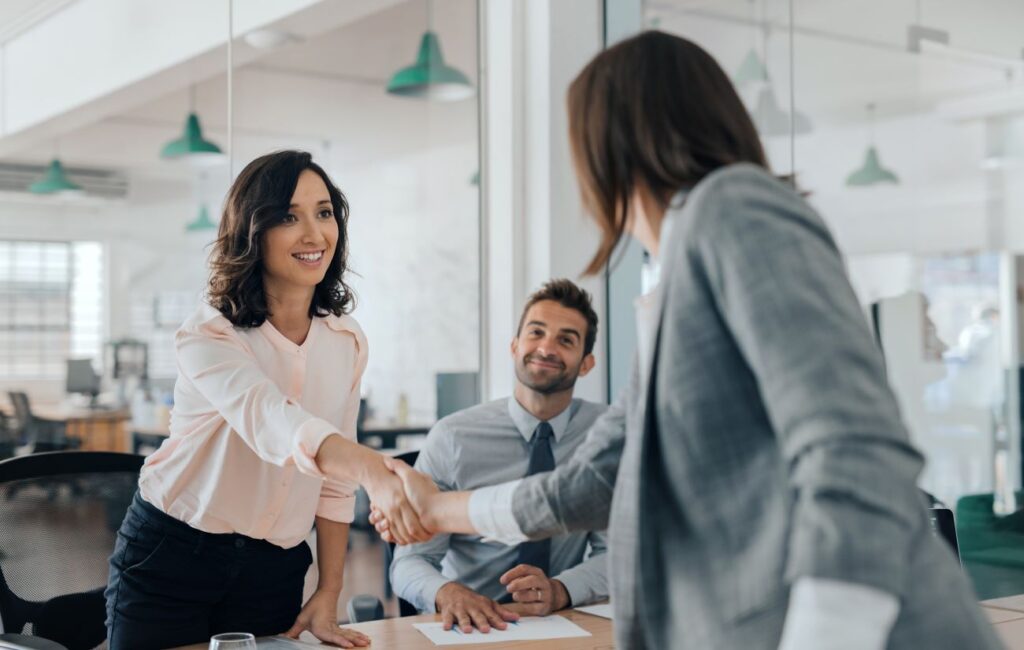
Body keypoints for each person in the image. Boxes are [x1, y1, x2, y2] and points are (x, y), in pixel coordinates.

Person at [372, 32, 1003, 650]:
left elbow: (854, 449)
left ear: (609, 142)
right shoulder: (674, 281)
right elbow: (597, 483)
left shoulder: (734, 207)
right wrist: (441, 510)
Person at [105, 150, 428, 650]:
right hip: (173, 555)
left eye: (324, 213)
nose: (314, 234)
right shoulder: (210, 333)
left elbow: (332, 485)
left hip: (273, 566)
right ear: (253, 232)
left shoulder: (346, 342)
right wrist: (374, 471)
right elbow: (272, 422)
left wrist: (330, 588)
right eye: (288, 217)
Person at [390, 279, 610, 633]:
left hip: (561, 622)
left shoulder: (606, 436)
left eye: (566, 340)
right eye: (536, 332)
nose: (546, 347)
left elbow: (618, 552)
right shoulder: (453, 437)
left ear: (586, 364)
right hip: (469, 628)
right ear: (514, 346)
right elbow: (410, 561)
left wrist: (560, 589)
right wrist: (448, 593)